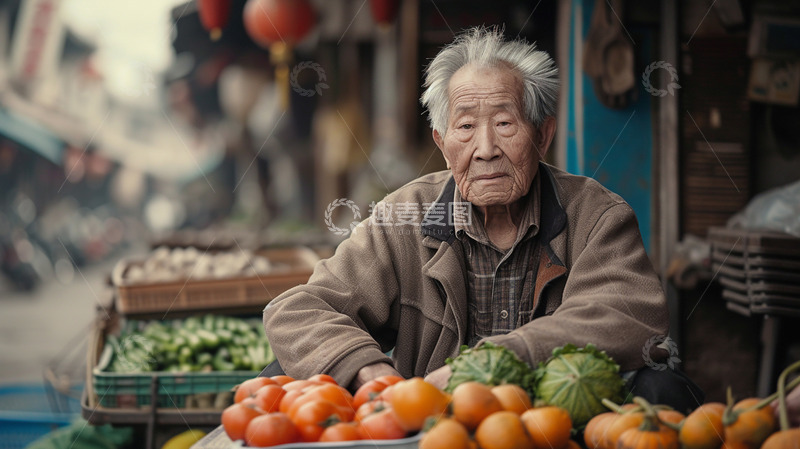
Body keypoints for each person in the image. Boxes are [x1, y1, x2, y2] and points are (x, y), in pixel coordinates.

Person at [263, 27, 700, 408]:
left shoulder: (596, 215)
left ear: (543, 134)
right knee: (284, 370)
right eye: (466, 126)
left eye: (506, 124)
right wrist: (368, 371)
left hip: (563, 421)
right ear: (442, 140)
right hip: (438, 428)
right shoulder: (404, 216)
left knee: (663, 389)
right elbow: (297, 309)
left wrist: (497, 361)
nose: (486, 148)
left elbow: (629, 314)